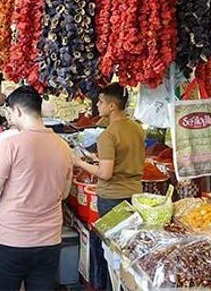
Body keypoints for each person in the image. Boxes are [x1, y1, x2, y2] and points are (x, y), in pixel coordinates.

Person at [0, 85, 72, 291]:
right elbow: (65, 193)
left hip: (12, 240)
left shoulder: (11, 144)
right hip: (49, 240)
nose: (9, 117)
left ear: (18, 111)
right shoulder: (63, 147)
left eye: (10, 112)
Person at [72, 83, 145, 290]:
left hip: (112, 198)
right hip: (134, 195)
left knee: (111, 250)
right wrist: (99, 160)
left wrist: (79, 163)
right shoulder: (137, 128)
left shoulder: (108, 135)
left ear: (112, 106)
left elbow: (105, 173)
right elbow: (125, 158)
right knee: (127, 248)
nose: (98, 105)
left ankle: (108, 286)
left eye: (101, 102)